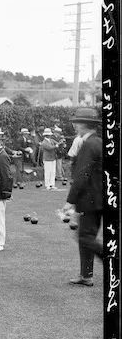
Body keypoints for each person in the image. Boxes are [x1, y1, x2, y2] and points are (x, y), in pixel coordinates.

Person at [62, 108, 103, 287]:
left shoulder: (88, 145)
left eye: (77, 122)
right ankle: (86, 276)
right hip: (102, 198)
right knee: (86, 236)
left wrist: (70, 201)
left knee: (85, 237)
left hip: (90, 199)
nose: (75, 124)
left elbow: (81, 176)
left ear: (85, 124)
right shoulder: (99, 142)